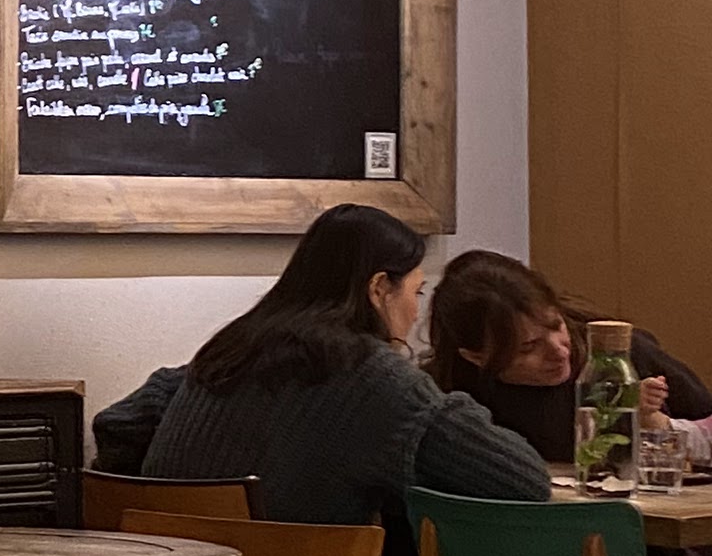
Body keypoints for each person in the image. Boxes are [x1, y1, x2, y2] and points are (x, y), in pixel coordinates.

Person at [94, 204, 553, 524]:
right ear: (379, 289)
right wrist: (442, 400)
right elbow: (521, 479)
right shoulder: (373, 376)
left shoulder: (232, 348)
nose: (416, 312)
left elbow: (118, 421)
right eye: (415, 292)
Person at [425, 248, 712, 473]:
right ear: (476, 357)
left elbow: (705, 421)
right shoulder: (446, 399)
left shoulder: (619, 355)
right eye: (528, 347)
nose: (559, 351)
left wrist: (656, 423)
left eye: (556, 325)